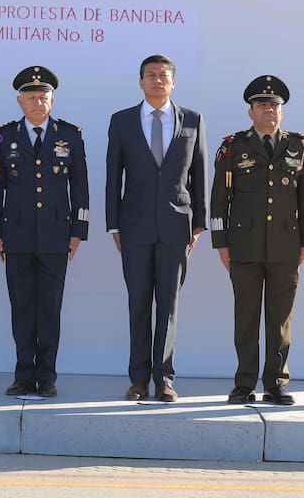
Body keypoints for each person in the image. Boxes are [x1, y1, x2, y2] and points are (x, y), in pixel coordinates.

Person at [105, 54, 206, 403]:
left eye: (163, 75)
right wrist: (113, 224)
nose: (157, 80)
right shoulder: (122, 121)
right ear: (140, 81)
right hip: (134, 227)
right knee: (138, 304)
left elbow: (199, 175)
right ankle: (138, 379)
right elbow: (112, 175)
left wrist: (199, 224)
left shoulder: (192, 120)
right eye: (150, 75)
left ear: (173, 82)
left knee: (169, 305)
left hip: (177, 226)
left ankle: (164, 378)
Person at [209, 75, 304, 406]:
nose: (269, 109)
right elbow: (218, 201)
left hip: (286, 246)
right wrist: (221, 243)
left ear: (281, 112)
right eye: (262, 105)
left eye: (274, 105)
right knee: (247, 318)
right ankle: (244, 384)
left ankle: (276, 382)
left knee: (280, 319)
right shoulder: (233, 147)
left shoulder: (299, 146)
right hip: (244, 246)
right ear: (250, 112)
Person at [0, 65, 89, 399]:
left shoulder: (70, 135)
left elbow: (80, 186)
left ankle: (46, 376)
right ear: (20, 101)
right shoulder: (4, 136)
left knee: (49, 306)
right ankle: (22, 374)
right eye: (31, 97)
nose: (37, 103)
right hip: (15, 234)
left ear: (52, 100)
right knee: (21, 306)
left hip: (56, 234)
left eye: (43, 97)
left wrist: (79, 230)